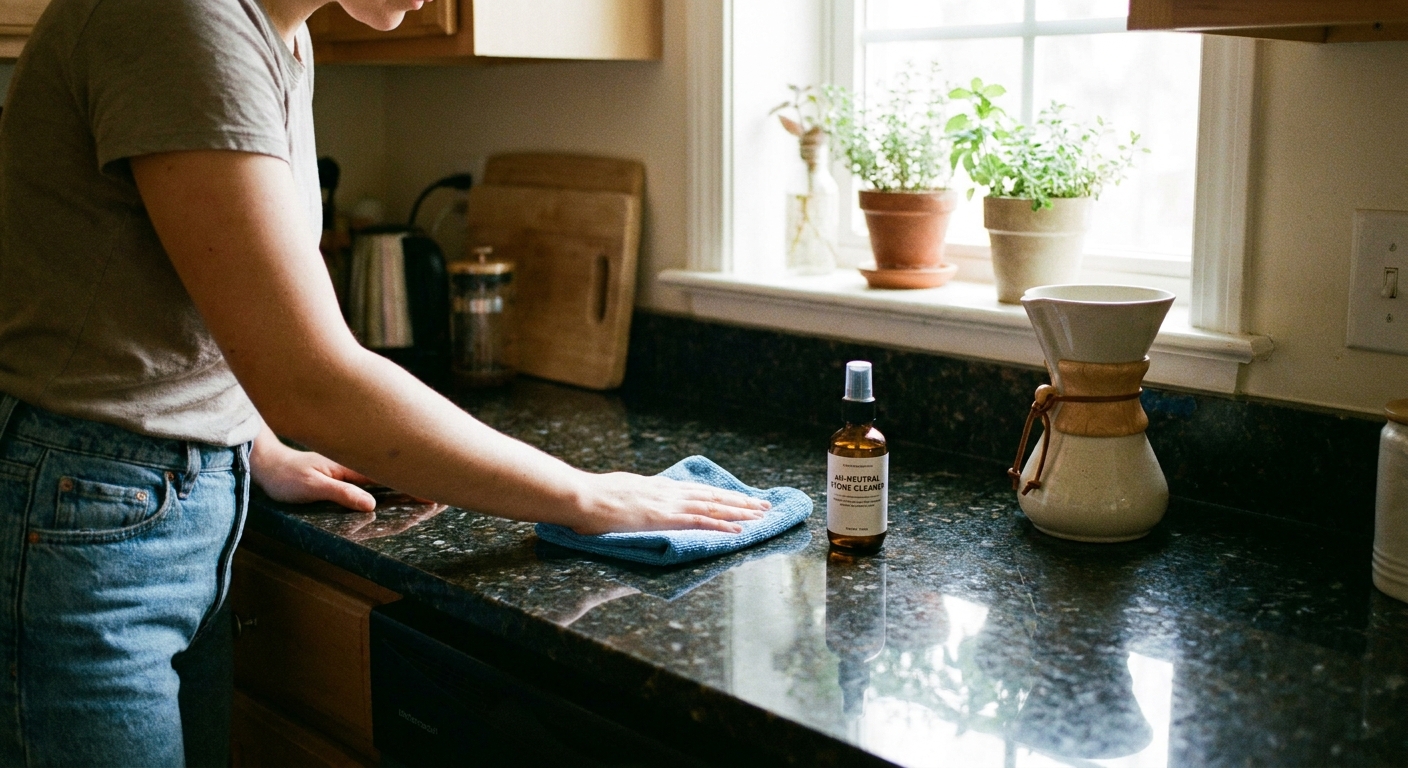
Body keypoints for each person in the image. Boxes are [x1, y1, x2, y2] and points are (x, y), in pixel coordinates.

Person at [0, 0, 770, 764]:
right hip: (79, 511)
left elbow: (188, 296)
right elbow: (312, 378)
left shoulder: (277, 28)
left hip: (168, 496)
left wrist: (255, 443)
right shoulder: (178, 19)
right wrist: (589, 495)